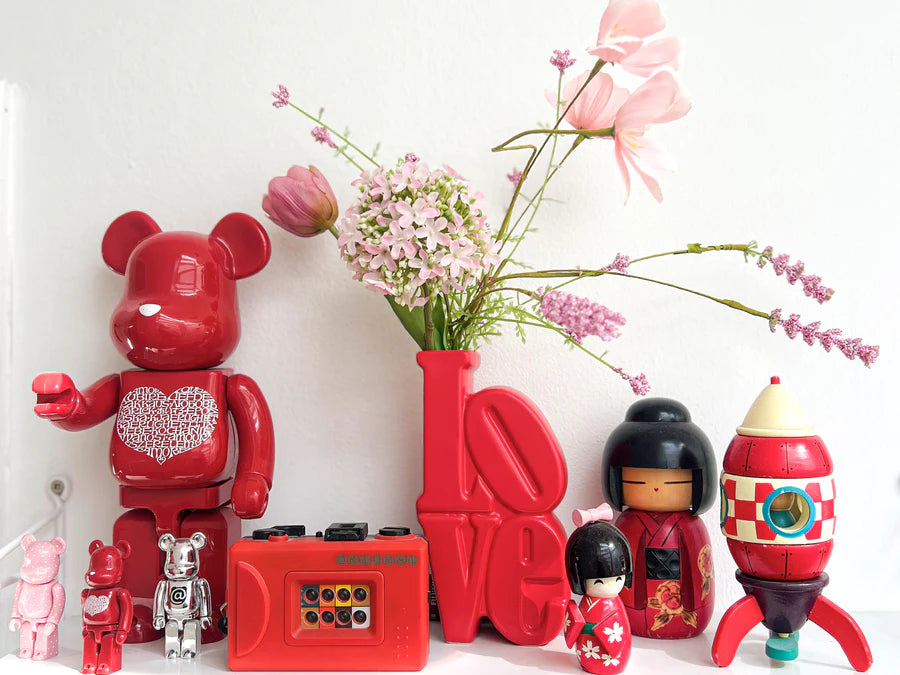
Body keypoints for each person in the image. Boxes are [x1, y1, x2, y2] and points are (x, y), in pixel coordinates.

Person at [601, 398, 716, 639]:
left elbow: (698, 572)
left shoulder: (691, 526)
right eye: (639, 481)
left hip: (682, 602)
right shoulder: (627, 524)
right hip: (638, 599)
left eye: (671, 481)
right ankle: (633, 613)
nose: (655, 487)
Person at [564, 505, 632, 674]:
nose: (609, 585)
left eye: (618, 579)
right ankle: (588, 663)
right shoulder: (587, 602)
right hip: (588, 647)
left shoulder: (613, 603)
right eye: (600, 581)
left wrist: (603, 631)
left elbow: (619, 629)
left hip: (611, 648)